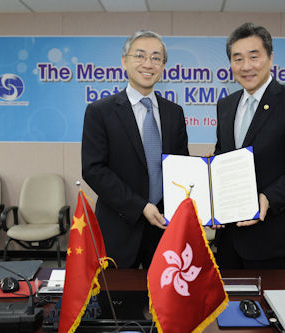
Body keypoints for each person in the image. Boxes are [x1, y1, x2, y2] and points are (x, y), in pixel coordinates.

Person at [214, 22, 285, 269]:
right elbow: (224, 152)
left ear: (270, 58)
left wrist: (269, 198)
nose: (246, 66)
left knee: (266, 306)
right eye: (237, 59)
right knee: (226, 305)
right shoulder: (226, 106)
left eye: (254, 57)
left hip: (270, 237)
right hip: (228, 236)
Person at [82, 30, 189, 268]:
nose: (147, 64)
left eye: (156, 58)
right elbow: (93, 170)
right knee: (120, 303)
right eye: (140, 56)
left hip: (165, 228)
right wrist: (140, 206)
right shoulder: (100, 112)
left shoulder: (174, 113)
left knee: (166, 303)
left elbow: (180, 166)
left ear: (163, 66)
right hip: (118, 229)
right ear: (124, 61)